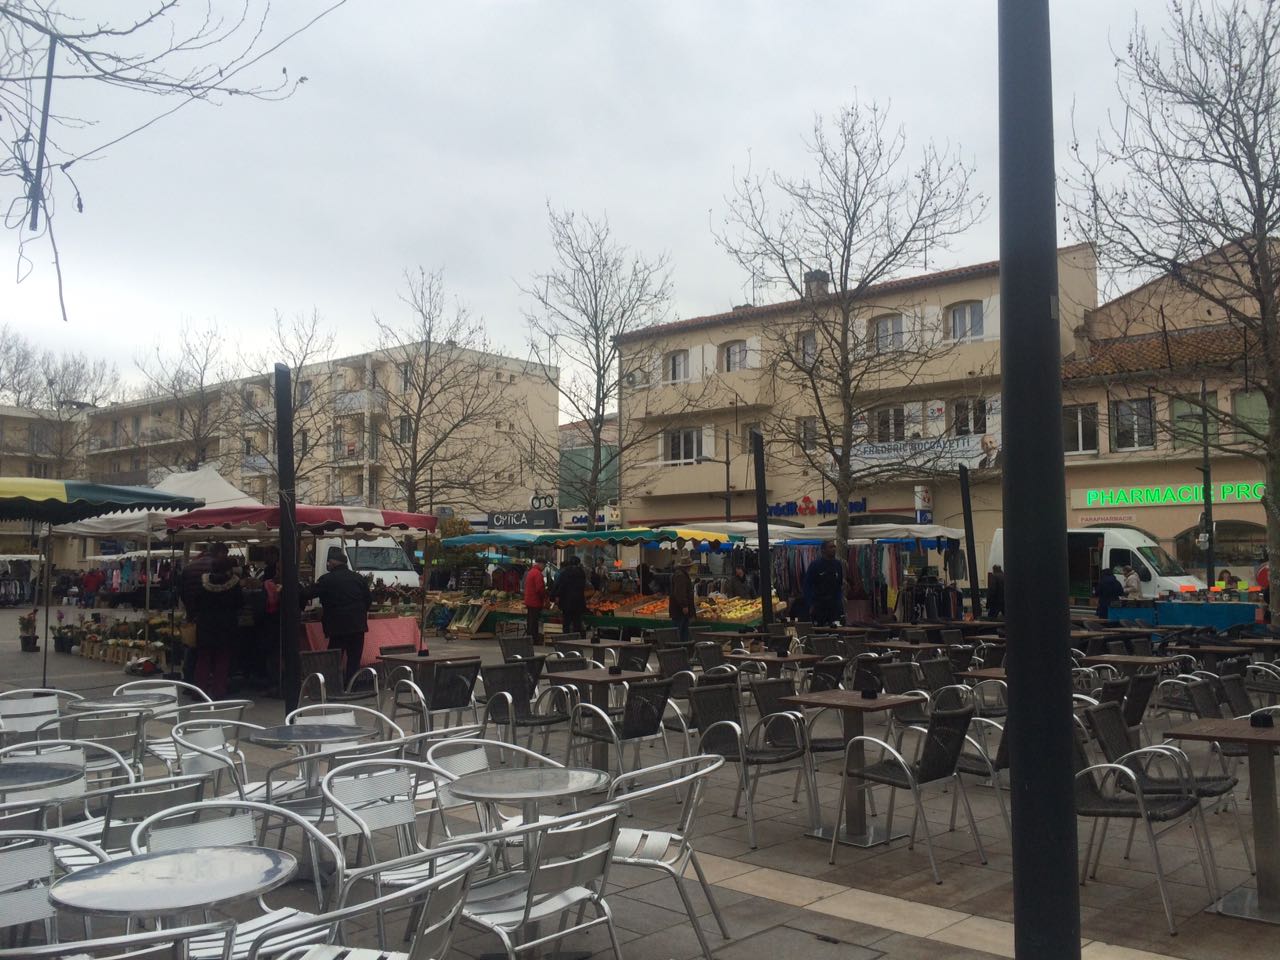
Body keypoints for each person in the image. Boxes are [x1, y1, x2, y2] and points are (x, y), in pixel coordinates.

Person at [305, 546, 372, 684]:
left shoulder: (327, 579)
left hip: (337, 626)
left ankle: (333, 686)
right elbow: (368, 599)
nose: (327, 565)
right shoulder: (358, 578)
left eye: (329, 562)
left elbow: (308, 593)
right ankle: (352, 686)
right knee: (354, 659)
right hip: (357, 625)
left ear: (334, 562)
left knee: (334, 658)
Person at [194, 554, 242, 700]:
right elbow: (240, 603)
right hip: (225, 627)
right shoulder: (233, 584)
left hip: (205, 626)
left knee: (203, 660)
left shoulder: (203, 582)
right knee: (222, 660)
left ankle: (199, 691)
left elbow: (196, 602)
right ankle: (218, 691)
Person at [805, 540, 845, 625]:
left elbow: (839, 585)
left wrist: (839, 602)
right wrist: (810, 604)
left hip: (834, 606)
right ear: (823, 550)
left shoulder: (837, 565)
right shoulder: (815, 565)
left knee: (836, 631)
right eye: (831, 547)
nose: (834, 549)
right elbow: (807, 585)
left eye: (834, 547)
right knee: (820, 631)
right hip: (819, 605)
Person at [557, 555, 587, 636]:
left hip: (566, 602)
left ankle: (565, 639)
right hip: (578, 602)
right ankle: (576, 640)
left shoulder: (565, 573)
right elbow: (584, 586)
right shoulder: (582, 573)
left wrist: (554, 596)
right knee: (577, 623)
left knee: (566, 623)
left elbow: (559, 585)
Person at [669, 558, 696, 644]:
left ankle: (683, 649)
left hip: (679, 610)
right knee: (680, 633)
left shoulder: (681, 574)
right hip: (679, 611)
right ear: (688, 567)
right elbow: (680, 592)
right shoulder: (680, 576)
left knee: (682, 633)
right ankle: (680, 650)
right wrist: (684, 605)